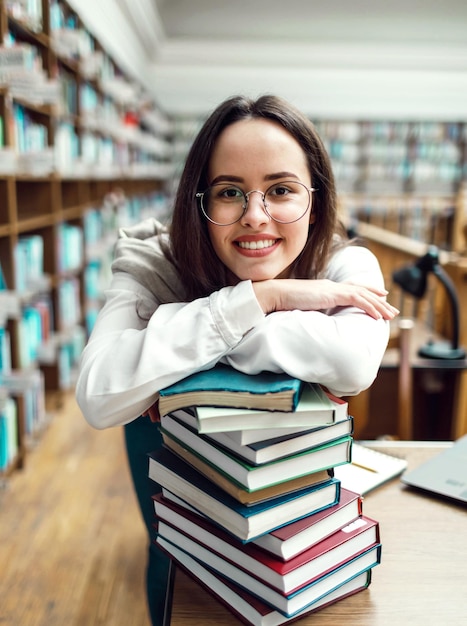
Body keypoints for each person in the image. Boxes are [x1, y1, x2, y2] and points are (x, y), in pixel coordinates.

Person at [76, 94, 399, 625]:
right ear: (198, 200)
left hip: (294, 505)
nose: (255, 216)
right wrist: (263, 299)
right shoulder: (154, 261)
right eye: (229, 193)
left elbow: (352, 362)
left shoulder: (347, 262)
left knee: (290, 562)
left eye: (281, 190)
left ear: (314, 200)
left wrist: (179, 342)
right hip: (177, 495)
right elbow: (99, 392)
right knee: (179, 559)